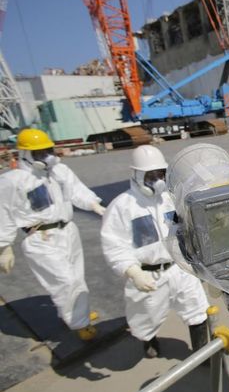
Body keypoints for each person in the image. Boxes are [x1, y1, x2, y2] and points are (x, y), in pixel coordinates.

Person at [100, 145, 210, 358]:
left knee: (197, 310)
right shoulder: (123, 206)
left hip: (179, 268)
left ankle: (202, 353)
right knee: (145, 318)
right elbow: (114, 245)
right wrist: (132, 271)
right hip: (148, 275)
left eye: (160, 173)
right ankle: (149, 340)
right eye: (151, 175)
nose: (157, 179)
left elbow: (188, 225)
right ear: (136, 175)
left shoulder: (169, 199)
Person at [0, 128, 104, 341]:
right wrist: (4, 246)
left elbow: (77, 191)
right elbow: (3, 211)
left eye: (47, 151)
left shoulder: (60, 171)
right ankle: (79, 323)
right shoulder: (13, 180)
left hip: (68, 231)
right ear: (25, 155)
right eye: (38, 153)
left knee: (75, 277)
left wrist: (94, 204)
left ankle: (77, 313)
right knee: (64, 281)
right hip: (40, 238)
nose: (45, 157)